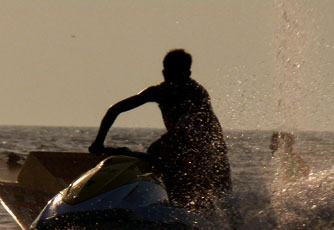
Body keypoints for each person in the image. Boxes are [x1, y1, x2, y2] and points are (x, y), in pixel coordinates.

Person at [89, 49, 231, 211]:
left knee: (221, 198)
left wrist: (129, 153)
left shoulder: (196, 93)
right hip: (181, 145)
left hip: (210, 151)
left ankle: (228, 227)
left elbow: (192, 133)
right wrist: (99, 141)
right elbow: (115, 110)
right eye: (170, 75)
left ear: (188, 74)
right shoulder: (159, 92)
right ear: (164, 73)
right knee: (158, 152)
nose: (174, 82)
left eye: (178, 75)